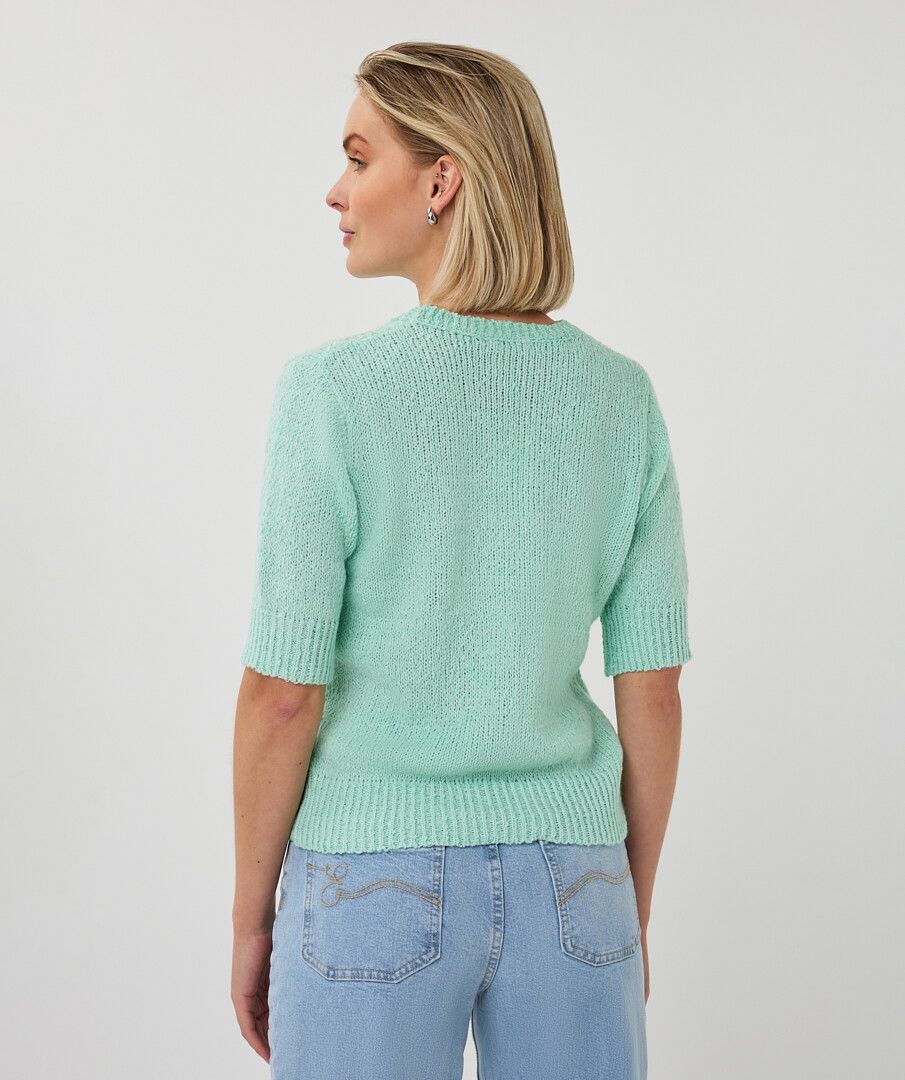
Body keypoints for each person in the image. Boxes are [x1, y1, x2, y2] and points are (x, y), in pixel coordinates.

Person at [231, 41, 691, 1080]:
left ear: (440, 181)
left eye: (359, 158)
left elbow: (282, 696)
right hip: (576, 875)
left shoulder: (331, 394)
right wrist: (626, 897)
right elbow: (652, 689)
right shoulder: (621, 399)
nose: (335, 191)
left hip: (367, 877)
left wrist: (252, 918)